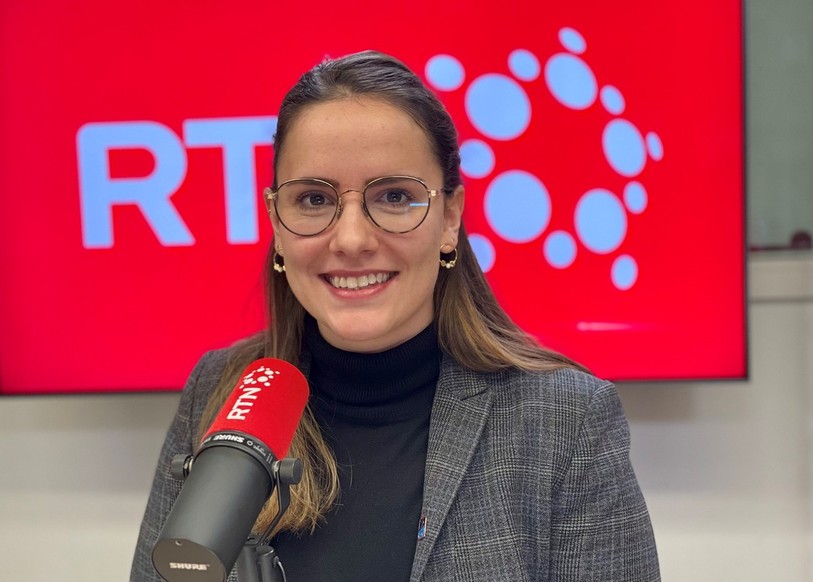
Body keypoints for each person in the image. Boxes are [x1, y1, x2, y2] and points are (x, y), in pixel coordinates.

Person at [131, 50, 660, 582]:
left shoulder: (563, 419)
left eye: (395, 197)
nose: (353, 239)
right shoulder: (221, 387)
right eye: (314, 199)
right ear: (276, 220)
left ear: (449, 217)